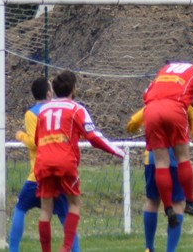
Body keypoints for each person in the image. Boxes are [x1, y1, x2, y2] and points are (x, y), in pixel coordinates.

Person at [34, 71, 125, 252]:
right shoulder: (76, 109)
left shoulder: (43, 110)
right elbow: (93, 136)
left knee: (45, 210)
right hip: (65, 161)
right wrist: (117, 151)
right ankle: (66, 248)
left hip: (43, 161)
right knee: (74, 204)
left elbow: (37, 139)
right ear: (73, 89)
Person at [142, 62, 193, 228]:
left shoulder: (165, 69)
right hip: (175, 110)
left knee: (161, 162)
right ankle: (190, 202)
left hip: (151, 111)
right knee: (183, 158)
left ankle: (167, 208)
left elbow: (146, 95)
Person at [10, 77, 80, 252]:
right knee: (67, 214)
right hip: (59, 172)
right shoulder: (59, 111)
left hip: (38, 174)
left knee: (20, 208)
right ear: (49, 93)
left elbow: (35, 142)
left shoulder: (32, 113)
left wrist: (20, 135)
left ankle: (13, 249)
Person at [126, 102, 193, 252]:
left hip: (152, 156)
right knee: (177, 204)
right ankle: (170, 250)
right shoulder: (189, 99)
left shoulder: (157, 97)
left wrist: (133, 126)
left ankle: (149, 247)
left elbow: (135, 121)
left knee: (152, 201)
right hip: (176, 157)